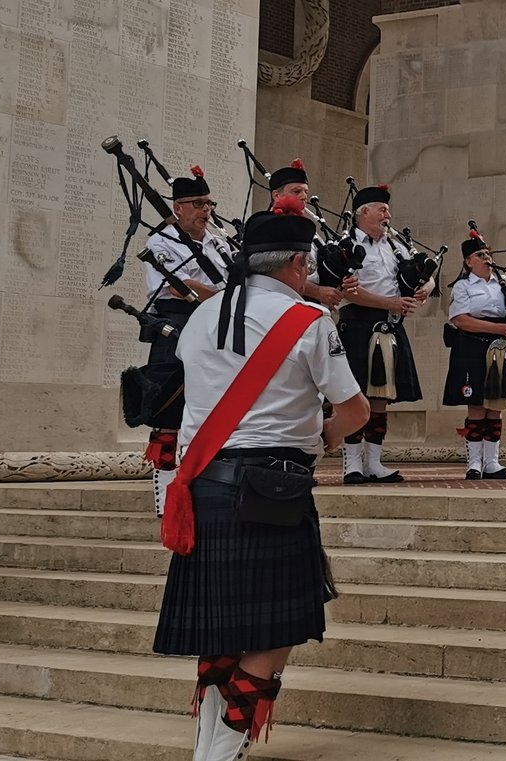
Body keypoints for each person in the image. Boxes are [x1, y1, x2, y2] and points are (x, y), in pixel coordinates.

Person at [152, 195, 369, 761]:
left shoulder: (203, 314)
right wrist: (323, 438)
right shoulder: (308, 320)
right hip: (274, 488)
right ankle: (221, 751)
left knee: (221, 629)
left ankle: (210, 743)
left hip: (205, 485)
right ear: (296, 264)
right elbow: (355, 412)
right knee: (275, 630)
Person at [142, 168, 236, 509]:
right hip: (176, 325)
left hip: (213, 327)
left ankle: (203, 486)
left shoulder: (219, 242)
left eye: (208, 203)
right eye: (197, 203)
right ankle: (165, 495)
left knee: (214, 407)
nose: (205, 210)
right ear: (177, 207)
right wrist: (225, 298)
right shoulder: (160, 241)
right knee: (169, 410)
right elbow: (177, 286)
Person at [334, 185, 431, 485]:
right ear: (364, 212)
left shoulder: (396, 246)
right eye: (382, 209)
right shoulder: (345, 245)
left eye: (387, 210)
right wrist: (389, 303)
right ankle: (351, 463)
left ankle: (374, 462)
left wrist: (422, 290)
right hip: (359, 323)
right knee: (355, 394)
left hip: (389, 326)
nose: (388, 215)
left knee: (380, 397)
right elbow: (347, 289)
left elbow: (427, 279)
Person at [443, 228, 506, 480]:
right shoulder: (463, 286)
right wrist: (498, 328)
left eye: (488, 253)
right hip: (472, 345)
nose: (487, 258)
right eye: (480, 255)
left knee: (496, 406)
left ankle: (492, 463)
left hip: (502, 346)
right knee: (476, 406)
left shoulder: (504, 283)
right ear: (468, 261)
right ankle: (474, 463)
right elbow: (460, 320)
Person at [264, 159, 345, 308]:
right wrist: (318, 292)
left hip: (310, 306)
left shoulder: (309, 230)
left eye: (305, 191)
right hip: (281, 305)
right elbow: (273, 273)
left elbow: (315, 270)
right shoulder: (266, 227)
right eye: (296, 191)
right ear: (276, 195)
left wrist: (339, 281)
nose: (303, 196)